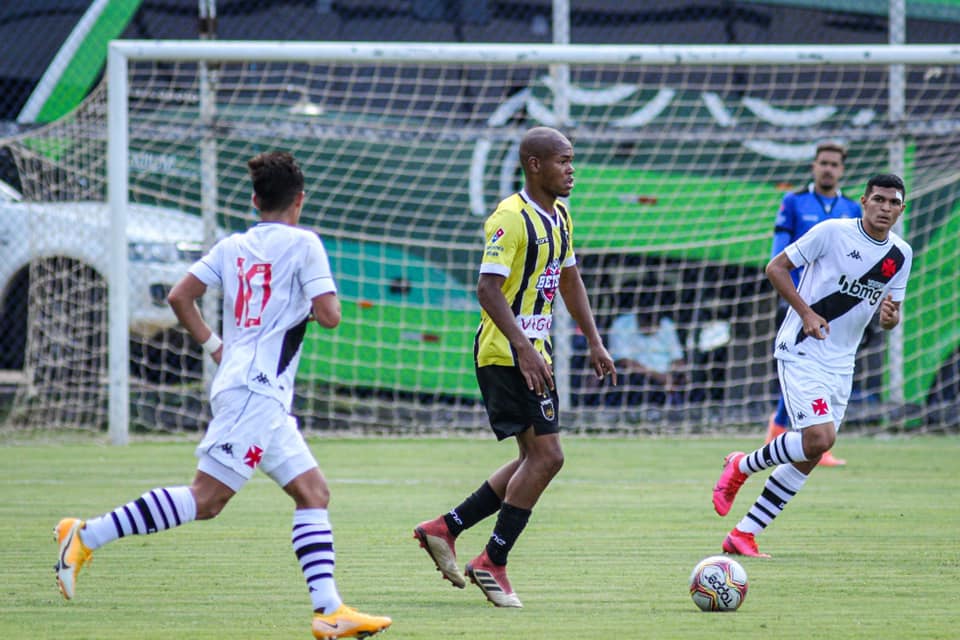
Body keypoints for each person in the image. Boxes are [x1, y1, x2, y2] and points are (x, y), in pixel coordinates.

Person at [53, 151, 391, 640]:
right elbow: (331, 313)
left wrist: (216, 346)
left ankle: (329, 611)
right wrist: (314, 306)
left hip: (254, 389)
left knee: (313, 492)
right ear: (300, 200)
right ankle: (84, 535)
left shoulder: (233, 245)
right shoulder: (305, 243)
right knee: (207, 500)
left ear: (256, 200)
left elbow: (179, 296)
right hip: (256, 392)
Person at [413, 126, 617, 607]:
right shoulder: (510, 217)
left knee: (535, 458)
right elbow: (487, 289)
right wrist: (524, 348)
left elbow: (569, 279)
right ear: (534, 164)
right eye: (563, 161)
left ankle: (445, 527)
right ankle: (492, 561)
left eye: (572, 161)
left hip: (533, 352)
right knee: (548, 457)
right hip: (507, 354)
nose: (571, 170)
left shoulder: (560, 215)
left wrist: (594, 339)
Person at [712, 173, 912, 558]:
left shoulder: (900, 255)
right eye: (879, 200)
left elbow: (890, 316)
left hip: (843, 362)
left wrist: (890, 317)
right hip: (803, 348)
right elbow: (776, 267)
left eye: (893, 203)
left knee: (811, 454)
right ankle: (742, 464)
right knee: (819, 438)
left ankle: (744, 534)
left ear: (901, 210)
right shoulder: (833, 232)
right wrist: (805, 313)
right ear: (864, 201)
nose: (885, 208)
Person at [763, 141, 862, 467]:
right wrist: (793, 295)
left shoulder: (851, 209)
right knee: (802, 365)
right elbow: (780, 250)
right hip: (799, 300)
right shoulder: (794, 202)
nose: (828, 168)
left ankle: (797, 439)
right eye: (823, 163)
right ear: (814, 166)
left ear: (842, 170)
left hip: (837, 307)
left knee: (823, 370)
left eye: (834, 164)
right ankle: (788, 438)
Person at [607, 290, 686, 409]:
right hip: (639, 378)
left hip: (666, 377)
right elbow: (623, 362)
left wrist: (677, 373)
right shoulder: (622, 325)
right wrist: (660, 378)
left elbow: (677, 358)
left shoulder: (667, 325)